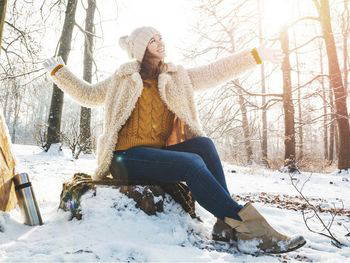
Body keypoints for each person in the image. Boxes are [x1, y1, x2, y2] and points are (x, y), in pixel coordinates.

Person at [43, 26, 306, 254]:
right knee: (191, 163)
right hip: (125, 157)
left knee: (203, 145)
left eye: (161, 38)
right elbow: (88, 95)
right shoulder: (123, 78)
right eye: (153, 40)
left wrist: (255, 56)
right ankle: (249, 226)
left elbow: (215, 71)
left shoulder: (174, 76)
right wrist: (59, 71)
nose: (161, 42)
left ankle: (226, 226)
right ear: (140, 48)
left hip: (156, 156)